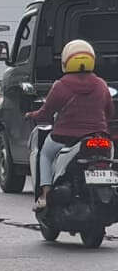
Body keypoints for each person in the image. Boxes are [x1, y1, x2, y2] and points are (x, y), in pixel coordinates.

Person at [28, 37, 113, 208]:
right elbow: (109, 112)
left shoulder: (61, 86)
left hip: (64, 138)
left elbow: (46, 113)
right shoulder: (101, 85)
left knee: (45, 154)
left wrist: (32, 114)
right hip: (99, 136)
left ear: (66, 61)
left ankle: (45, 195)